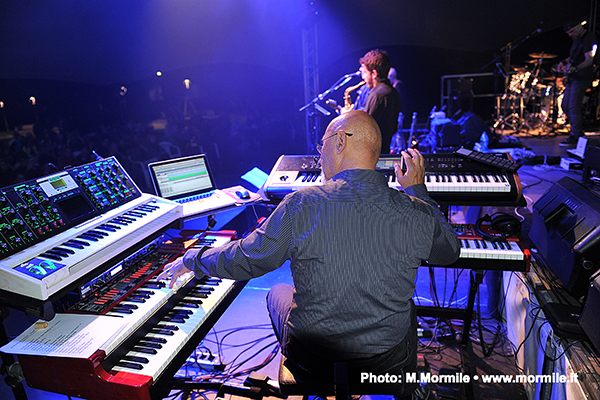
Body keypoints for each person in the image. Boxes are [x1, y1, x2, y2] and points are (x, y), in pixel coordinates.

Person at [159, 111, 460, 397]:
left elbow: (246, 259)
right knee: (407, 311)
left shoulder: (301, 203)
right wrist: (419, 191)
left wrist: (193, 259)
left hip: (314, 358)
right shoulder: (413, 210)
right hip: (383, 362)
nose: (320, 156)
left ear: (340, 141)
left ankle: (315, 381)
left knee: (277, 292)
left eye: (323, 145)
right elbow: (449, 252)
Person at [343, 49, 401, 154]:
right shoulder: (393, 92)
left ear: (374, 73)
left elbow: (364, 128)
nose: (362, 76)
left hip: (371, 155)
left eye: (364, 72)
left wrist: (347, 116)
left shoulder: (377, 95)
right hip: (383, 151)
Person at [557, 19, 598, 147]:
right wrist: (564, 62)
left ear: (580, 26)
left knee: (573, 106)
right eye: (568, 32)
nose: (570, 34)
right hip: (573, 77)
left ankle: (577, 134)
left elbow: (589, 60)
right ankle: (578, 131)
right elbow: (575, 56)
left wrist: (576, 68)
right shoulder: (577, 39)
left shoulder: (589, 38)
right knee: (565, 105)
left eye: (572, 31)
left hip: (582, 77)